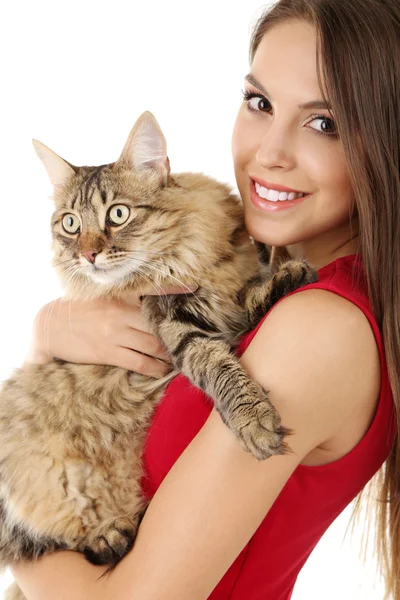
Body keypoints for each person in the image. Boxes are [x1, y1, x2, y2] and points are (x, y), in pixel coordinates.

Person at [11, 0, 400, 598]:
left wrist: (15, 528)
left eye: (325, 123)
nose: (270, 151)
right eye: (260, 103)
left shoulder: (320, 328)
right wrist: (51, 334)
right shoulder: (271, 294)